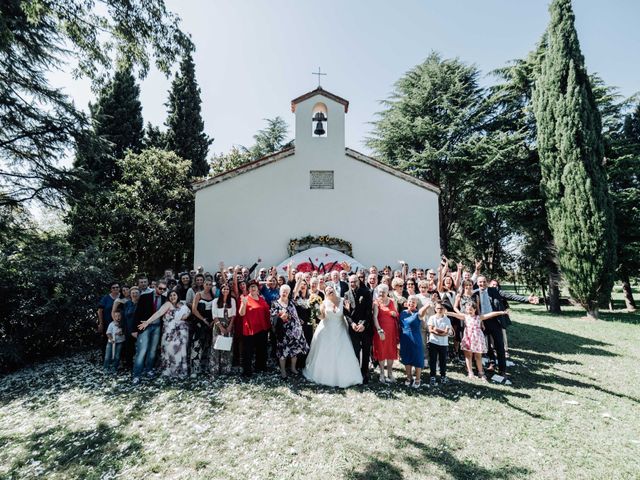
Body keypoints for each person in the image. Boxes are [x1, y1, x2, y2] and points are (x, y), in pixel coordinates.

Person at [475, 275, 538, 380]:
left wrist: (527, 299)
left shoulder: (494, 291)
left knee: (499, 346)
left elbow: (510, 296)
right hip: (482, 322)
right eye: (480, 282)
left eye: (484, 282)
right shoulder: (475, 293)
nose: (482, 284)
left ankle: (502, 369)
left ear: (487, 282)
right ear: (477, 283)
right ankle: (491, 364)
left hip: (495, 321)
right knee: (486, 345)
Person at [303, 285, 363, 388]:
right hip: (326, 330)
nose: (330, 291)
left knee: (343, 352)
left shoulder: (343, 300)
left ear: (335, 290)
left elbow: (348, 315)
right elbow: (321, 316)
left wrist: (348, 310)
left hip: (340, 330)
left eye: (331, 289)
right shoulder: (324, 303)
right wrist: (316, 308)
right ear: (325, 294)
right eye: (327, 291)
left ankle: (347, 376)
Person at [447, 303, 509, 381]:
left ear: (475, 310)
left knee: (478, 356)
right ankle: (470, 372)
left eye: (471, 309)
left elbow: (490, 314)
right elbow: (454, 314)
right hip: (468, 338)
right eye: (467, 309)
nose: (469, 311)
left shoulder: (479, 317)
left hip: (477, 339)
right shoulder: (465, 317)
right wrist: (445, 312)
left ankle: (480, 372)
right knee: (468, 356)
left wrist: (502, 312)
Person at [132, 280, 167, 383]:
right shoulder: (145, 297)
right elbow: (137, 313)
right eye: (160, 288)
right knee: (142, 351)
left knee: (152, 351)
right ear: (155, 287)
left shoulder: (165, 299)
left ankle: (149, 370)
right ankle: (137, 375)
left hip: (157, 327)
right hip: (144, 327)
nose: (161, 290)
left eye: (164, 289)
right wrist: (134, 330)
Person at [270, 285, 309, 379]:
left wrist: (299, 319)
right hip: (282, 332)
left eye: (286, 292)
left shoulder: (291, 302)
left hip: (295, 331)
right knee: (283, 352)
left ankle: (293, 368)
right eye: (283, 291)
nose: (285, 293)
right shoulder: (275, 303)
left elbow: (294, 314)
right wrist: (280, 317)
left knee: (294, 351)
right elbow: (272, 317)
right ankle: (283, 370)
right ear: (280, 292)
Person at [343, 274, 373, 384]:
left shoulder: (366, 293)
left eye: (355, 281)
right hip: (353, 327)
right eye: (351, 282)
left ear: (359, 281)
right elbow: (346, 313)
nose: (353, 284)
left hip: (365, 327)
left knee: (365, 351)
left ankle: (365, 373)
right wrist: (352, 324)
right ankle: (355, 373)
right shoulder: (346, 294)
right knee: (355, 351)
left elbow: (369, 311)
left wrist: (363, 324)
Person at [238, 280, 271, 377]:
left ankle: (260, 367)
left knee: (262, 350)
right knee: (248, 351)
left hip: (262, 328)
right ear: (248, 289)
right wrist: (243, 304)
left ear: (257, 289)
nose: (253, 288)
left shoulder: (261, 299)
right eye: (251, 287)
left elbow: (267, 312)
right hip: (250, 330)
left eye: (254, 287)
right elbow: (241, 313)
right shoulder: (245, 298)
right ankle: (247, 371)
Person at [399, 296, 428, 388]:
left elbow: (421, 312)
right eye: (410, 301)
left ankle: (418, 378)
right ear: (407, 303)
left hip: (415, 339)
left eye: (414, 302)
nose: (411, 303)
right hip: (404, 339)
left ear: (416, 304)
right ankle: (408, 377)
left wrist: (428, 305)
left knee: (417, 358)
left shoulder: (418, 314)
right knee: (406, 358)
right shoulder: (402, 313)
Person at [372, 284, 399, 383]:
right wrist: (379, 330)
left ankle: (390, 373)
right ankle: (382, 373)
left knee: (390, 351)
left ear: (388, 292)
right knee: (381, 351)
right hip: (381, 331)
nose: (382, 294)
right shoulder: (376, 303)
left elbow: (396, 313)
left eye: (384, 292)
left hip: (391, 331)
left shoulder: (392, 301)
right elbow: (375, 317)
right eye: (380, 292)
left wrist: (394, 313)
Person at [190, 279, 215, 377]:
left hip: (210, 323)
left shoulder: (213, 296)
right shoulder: (198, 294)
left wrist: (212, 321)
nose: (208, 286)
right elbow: (194, 309)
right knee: (197, 344)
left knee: (208, 345)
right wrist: (203, 319)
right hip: (199, 322)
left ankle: (205, 367)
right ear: (203, 285)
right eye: (206, 284)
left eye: (210, 284)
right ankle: (194, 369)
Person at [210, 284, 236, 377]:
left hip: (229, 325)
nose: (226, 290)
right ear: (221, 290)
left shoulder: (232, 300)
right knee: (216, 347)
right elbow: (214, 315)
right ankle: (215, 370)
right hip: (218, 325)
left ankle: (226, 370)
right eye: (224, 289)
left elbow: (233, 315)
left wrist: (229, 327)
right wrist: (220, 327)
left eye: (228, 289)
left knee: (227, 347)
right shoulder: (215, 301)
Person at [426, 301, 453, 386]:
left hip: (444, 343)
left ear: (444, 309)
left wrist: (436, 329)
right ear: (435, 309)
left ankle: (443, 376)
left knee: (443, 361)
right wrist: (441, 332)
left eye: (441, 308)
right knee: (433, 360)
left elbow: (446, 332)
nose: (439, 310)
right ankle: (432, 376)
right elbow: (430, 330)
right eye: (438, 308)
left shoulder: (447, 319)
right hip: (433, 342)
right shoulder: (432, 318)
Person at [121, 286, 140, 369]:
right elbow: (124, 318)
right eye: (133, 293)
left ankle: (140, 365)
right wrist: (123, 329)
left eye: (136, 293)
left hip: (139, 330)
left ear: (139, 294)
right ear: (130, 294)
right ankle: (129, 365)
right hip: (128, 330)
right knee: (129, 349)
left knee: (140, 349)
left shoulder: (142, 304)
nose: (134, 294)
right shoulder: (127, 304)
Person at [104, 309, 125, 374]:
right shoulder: (112, 324)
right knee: (108, 355)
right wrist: (111, 339)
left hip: (119, 342)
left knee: (117, 355)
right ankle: (106, 368)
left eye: (119, 316)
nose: (117, 317)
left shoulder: (123, 324)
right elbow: (108, 333)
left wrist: (121, 333)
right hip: (111, 342)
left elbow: (125, 332)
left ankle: (114, 367)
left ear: (122, 316)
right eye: (116, 316)